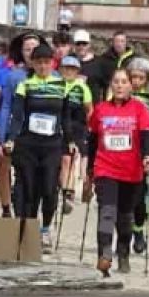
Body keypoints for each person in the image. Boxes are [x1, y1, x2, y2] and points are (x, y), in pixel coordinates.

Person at [84, 68, 149, 275]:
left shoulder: (139, 109)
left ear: (131, 86)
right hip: (105, 168)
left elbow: (147, 135)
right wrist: (90, 169)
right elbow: (93, 140)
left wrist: (147, 156)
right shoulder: (101, 110)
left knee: (125, 217)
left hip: (131, 171)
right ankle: (104, 254)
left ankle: (123, 253)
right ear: (111, 85)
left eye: (124, 82)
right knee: (107, 211)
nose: (120, 85)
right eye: (116, 82)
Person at [5, 41, 73, 249]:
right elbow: (17, 116)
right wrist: (11, 138)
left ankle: (46, 228)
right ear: (33, 64)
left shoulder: (61, 86)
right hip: (28, 143)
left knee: (49, 187)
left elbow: (67, 117)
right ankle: (29, 228)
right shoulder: (26, 85)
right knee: (28, 187)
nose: (43, 67)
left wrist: (71, 141)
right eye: (39, 63)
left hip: (52, 144)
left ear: (52, 63)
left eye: (47, 62)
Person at [0, 32, 40, 219]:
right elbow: (5, 107)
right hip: (14, 131)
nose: (30, 53)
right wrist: (1, 138)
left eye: (34, 49)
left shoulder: (54, 77)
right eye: (27, 49)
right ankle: (6, 207)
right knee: (6, 167)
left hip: (38, 135)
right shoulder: (12, 77)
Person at [124, 56, 149, 254]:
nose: (137, 82)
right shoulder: (121, 93)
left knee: (139, 196)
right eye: (134, 77)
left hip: (143, 148)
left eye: (141, 78)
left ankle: (138, 231)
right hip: (123, 148)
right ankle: (123, 235)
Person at [59, 55, 93, 214]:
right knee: (61, 160)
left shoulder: (82, 88)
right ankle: (61, 186)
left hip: (76, 127)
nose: (69, 72)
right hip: (58, 126)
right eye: (66, 68)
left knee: (68, 159)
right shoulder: (56, 84)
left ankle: (68, 191)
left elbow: (89, 108)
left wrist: (89, 127)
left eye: (72, 69)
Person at [73, 30, 104, 100]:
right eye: (78, 43)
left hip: (94, 106)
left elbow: (107, 86)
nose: (81, 46)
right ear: (74, 45)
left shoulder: (99, 62)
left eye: (84, 43)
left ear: (89, 44)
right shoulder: (69, 61)